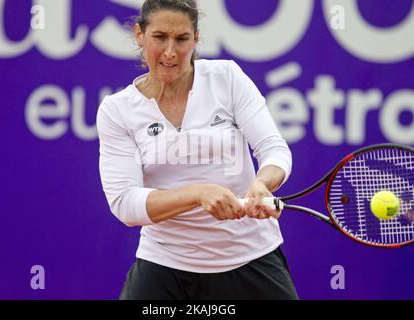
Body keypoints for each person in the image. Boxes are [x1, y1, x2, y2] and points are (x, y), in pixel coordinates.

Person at [96, 0, 298, 300]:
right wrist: (198, 193)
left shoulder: (227, 78)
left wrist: (261, 183)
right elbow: (126, 204)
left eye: (181, 39)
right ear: (140, 35)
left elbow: (274, 149)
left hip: (251, 259)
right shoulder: (117, 110)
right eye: (159, 37)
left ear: (196, 39)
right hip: (165, 264)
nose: (169, 52)